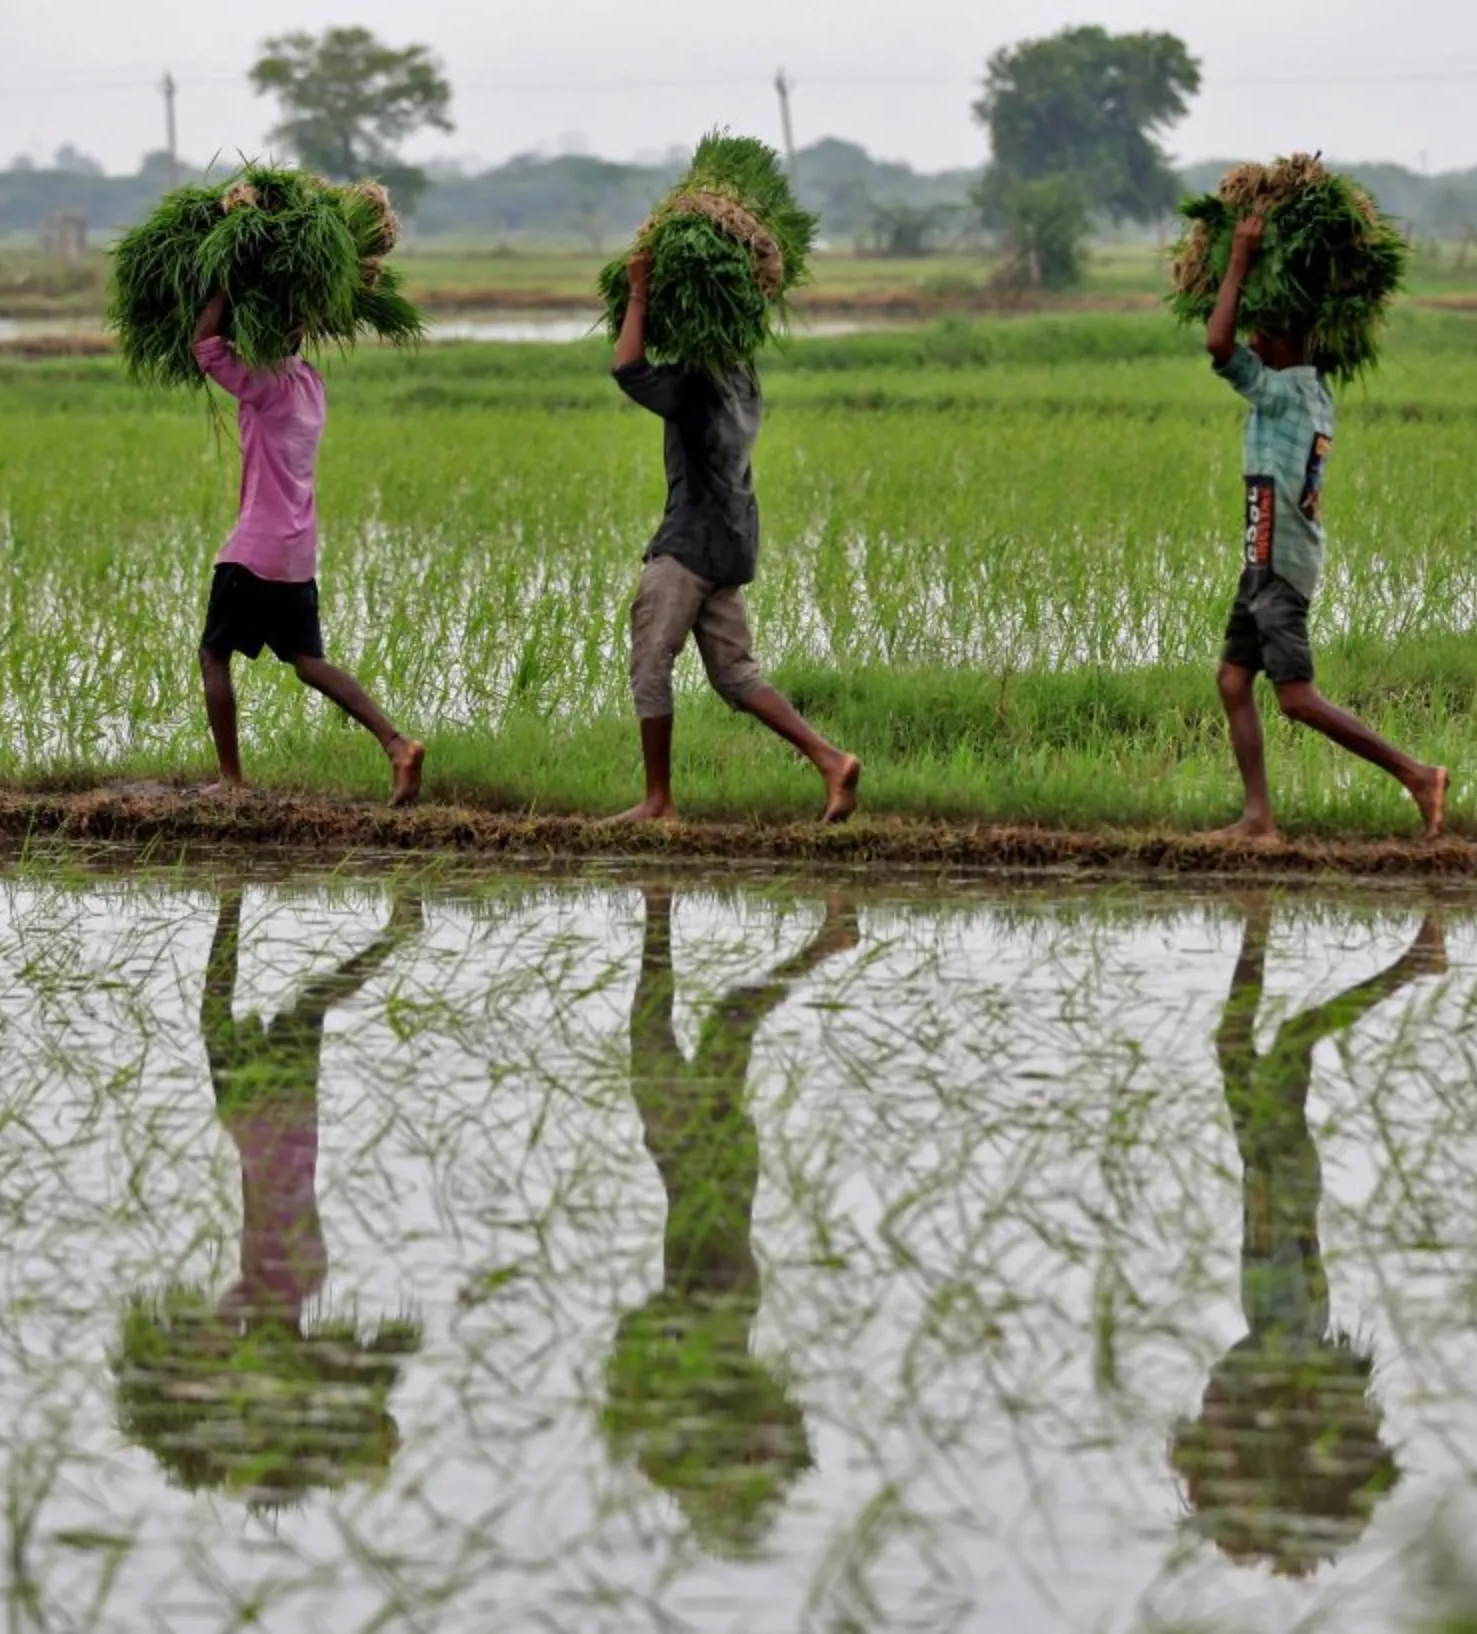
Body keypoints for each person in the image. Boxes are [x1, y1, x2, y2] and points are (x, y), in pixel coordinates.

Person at [111, 887, 425, 1510]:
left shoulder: (285, 1290)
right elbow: (223, 1338)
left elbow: (222, 1339)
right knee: (296, 1008)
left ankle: (238, 909)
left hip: (262, 1124)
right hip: (274, 1124)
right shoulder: (285, 1286)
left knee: (257, 1012)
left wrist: (201, 1394)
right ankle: (393, 930)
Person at [1169, 902, 1448, 1575]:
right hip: (1279, 1176)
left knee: (1236, 1042)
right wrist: (1266, 1191)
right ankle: (1414, 962)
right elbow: (1284, 1237)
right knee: (1291, 1040)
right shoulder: (1287, 1337)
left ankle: (1258, 926)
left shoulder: (1281, 1339)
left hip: (1270, 1177)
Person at [601, 887, 858, 1554]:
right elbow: (784, 1429)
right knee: (727, 1018)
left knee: (654, 1028)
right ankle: (828, 939)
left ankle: (659, 911)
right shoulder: (731, 1389)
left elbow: (635, 1368)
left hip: (683, 1168)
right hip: (710, 1182)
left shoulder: (690, 1411)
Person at [1205, 214, 1448, 842]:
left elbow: (1216, 346)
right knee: (1233, 680)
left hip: (1279, 563)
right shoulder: (1309, 389)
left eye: (1263, 330)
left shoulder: (1284, 394)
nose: (1252, 339)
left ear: (1286, 342)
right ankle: (1259, 818)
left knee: (1296, 699)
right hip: (1265, 558)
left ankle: (1417, 775)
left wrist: (1238, 258)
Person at [608, 249, 861, 825]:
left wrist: (640, 292)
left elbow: (627, 367)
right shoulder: (743, 373)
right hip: (731, 541)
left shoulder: (697, 383)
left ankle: (658, 801)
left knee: (650, 663)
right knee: (736, 675)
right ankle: (831, 760)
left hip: (690, 543)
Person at [191, 291, 424, 806]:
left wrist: (223, 292)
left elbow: (203, 347)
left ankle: (230, 779)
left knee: (213, 654)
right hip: (296, 552)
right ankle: (397, 745)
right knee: (307, 661)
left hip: (254, 548)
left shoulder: (267, 384)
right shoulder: (311, 384)